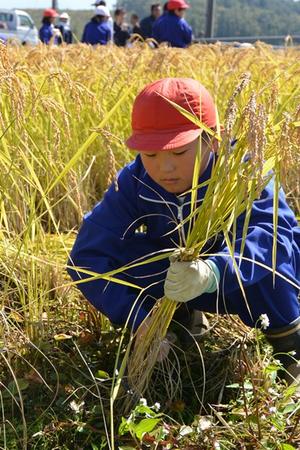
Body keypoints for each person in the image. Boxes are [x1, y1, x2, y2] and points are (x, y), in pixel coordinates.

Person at [68, 78, 300, 388]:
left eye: (178, 153)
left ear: (213, 141)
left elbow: (277, 235)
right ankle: (177, 323)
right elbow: (86, 257)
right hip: (176, 280)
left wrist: (213, 271)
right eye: (151, 155)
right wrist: (138, 319)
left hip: (237, 283)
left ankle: (289, 348)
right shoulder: (136, 182)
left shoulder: (242, 171)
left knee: (274, 268)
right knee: (122, 259)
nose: (165, 168)